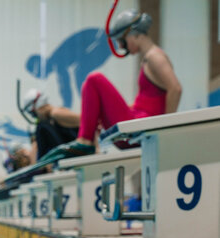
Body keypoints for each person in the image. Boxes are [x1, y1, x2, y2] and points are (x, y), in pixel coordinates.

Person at [40, 9, 181, 162]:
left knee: (94, 79)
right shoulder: (148, 58)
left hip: (140, 127)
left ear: (134, 34)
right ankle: (87, 140)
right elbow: (151, 100)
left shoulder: (155, 57)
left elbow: (176, 89)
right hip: (137, 121)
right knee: (92, 89)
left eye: (122, 40)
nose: (122, 46)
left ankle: (85, 141)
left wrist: (166, 129)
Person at [20, 89, 79, 162]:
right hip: (70, 154)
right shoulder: (50, 119)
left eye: (33, 113)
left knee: (41, 127)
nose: (34, 116)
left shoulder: (56, 113)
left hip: (76, 154)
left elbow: (85, 123)